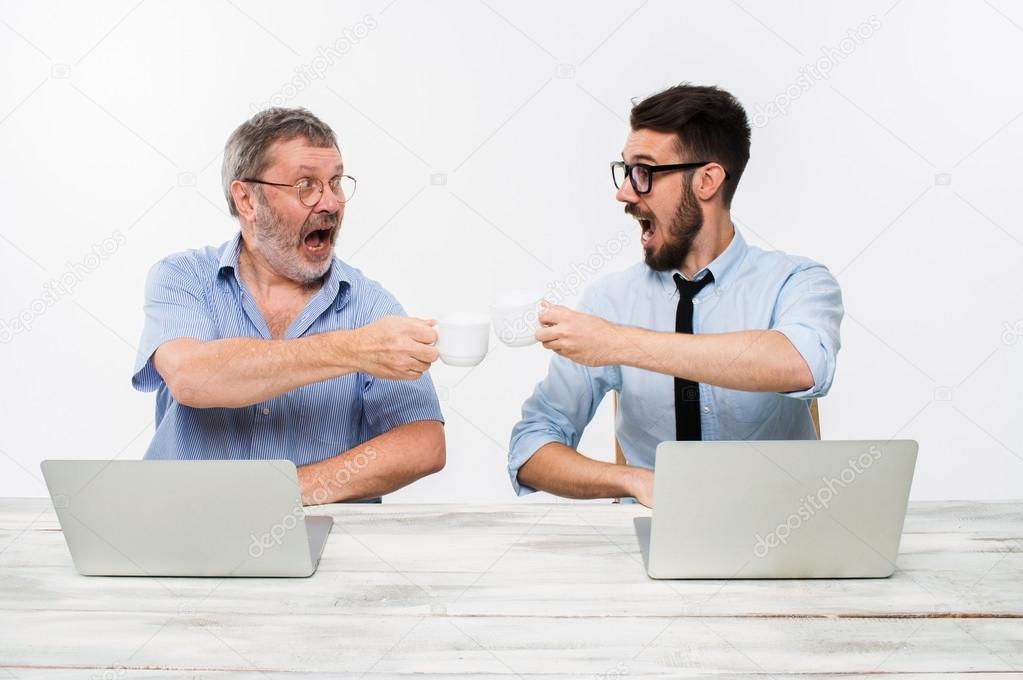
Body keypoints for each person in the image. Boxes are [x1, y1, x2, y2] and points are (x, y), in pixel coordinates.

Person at [508, 84, 843, 506]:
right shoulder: (610, 301)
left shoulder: (796, 281)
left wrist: (618, 343)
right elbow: (530, 448)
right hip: (654, 543)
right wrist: (632, 480)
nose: (625, 193)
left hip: (784, 539)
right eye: (625, 170)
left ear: (707, 180)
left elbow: (803, 364)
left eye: (644, 172)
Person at [132, 107, 444, 505]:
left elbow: (423, 444)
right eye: (306, 186)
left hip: (320, 538)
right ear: (246, 199)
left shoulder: (371, 306)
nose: (330, 202)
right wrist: (354, 350)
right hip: (180, 527)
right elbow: (192, 377)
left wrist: (283, 492)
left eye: (335, 182)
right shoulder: (183, 277)